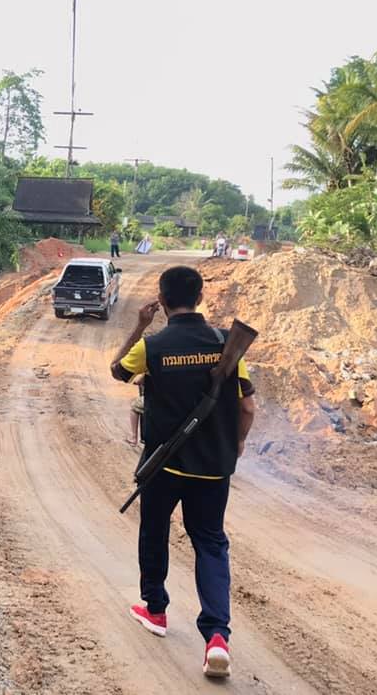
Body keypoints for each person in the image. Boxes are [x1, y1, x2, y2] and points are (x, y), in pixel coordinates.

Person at [110, 266, 256, 679]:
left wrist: (139, 326)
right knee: (210, 543)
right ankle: (216, 639)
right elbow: (247, 406)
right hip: (213, 468)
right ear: (200, 295)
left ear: (163, 297)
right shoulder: (227, 343)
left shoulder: (154, 346)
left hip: (164, 464)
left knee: (154, 531)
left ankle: (155, 609)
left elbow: (118, 369)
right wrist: (237, 444)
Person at [127, 375, 145, 446]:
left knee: (134, 407)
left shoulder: (151, 367)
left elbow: (137, 381)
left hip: (157, 399)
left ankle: (134, 438)